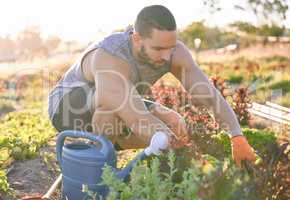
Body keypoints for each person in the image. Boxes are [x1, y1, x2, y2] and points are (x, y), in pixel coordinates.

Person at [48, 5, 256, 167]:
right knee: (112, 108)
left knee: (174, 122)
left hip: (124, 103)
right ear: (136, 38)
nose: (167, 56)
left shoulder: (173, 53)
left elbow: (208, 96)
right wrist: (182, 153)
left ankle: (102, 157)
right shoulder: (111, 56)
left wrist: (236, 137)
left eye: (171, 47)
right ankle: (97, 174)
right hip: (67, 108)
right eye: (158, 48)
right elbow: (137, 118)